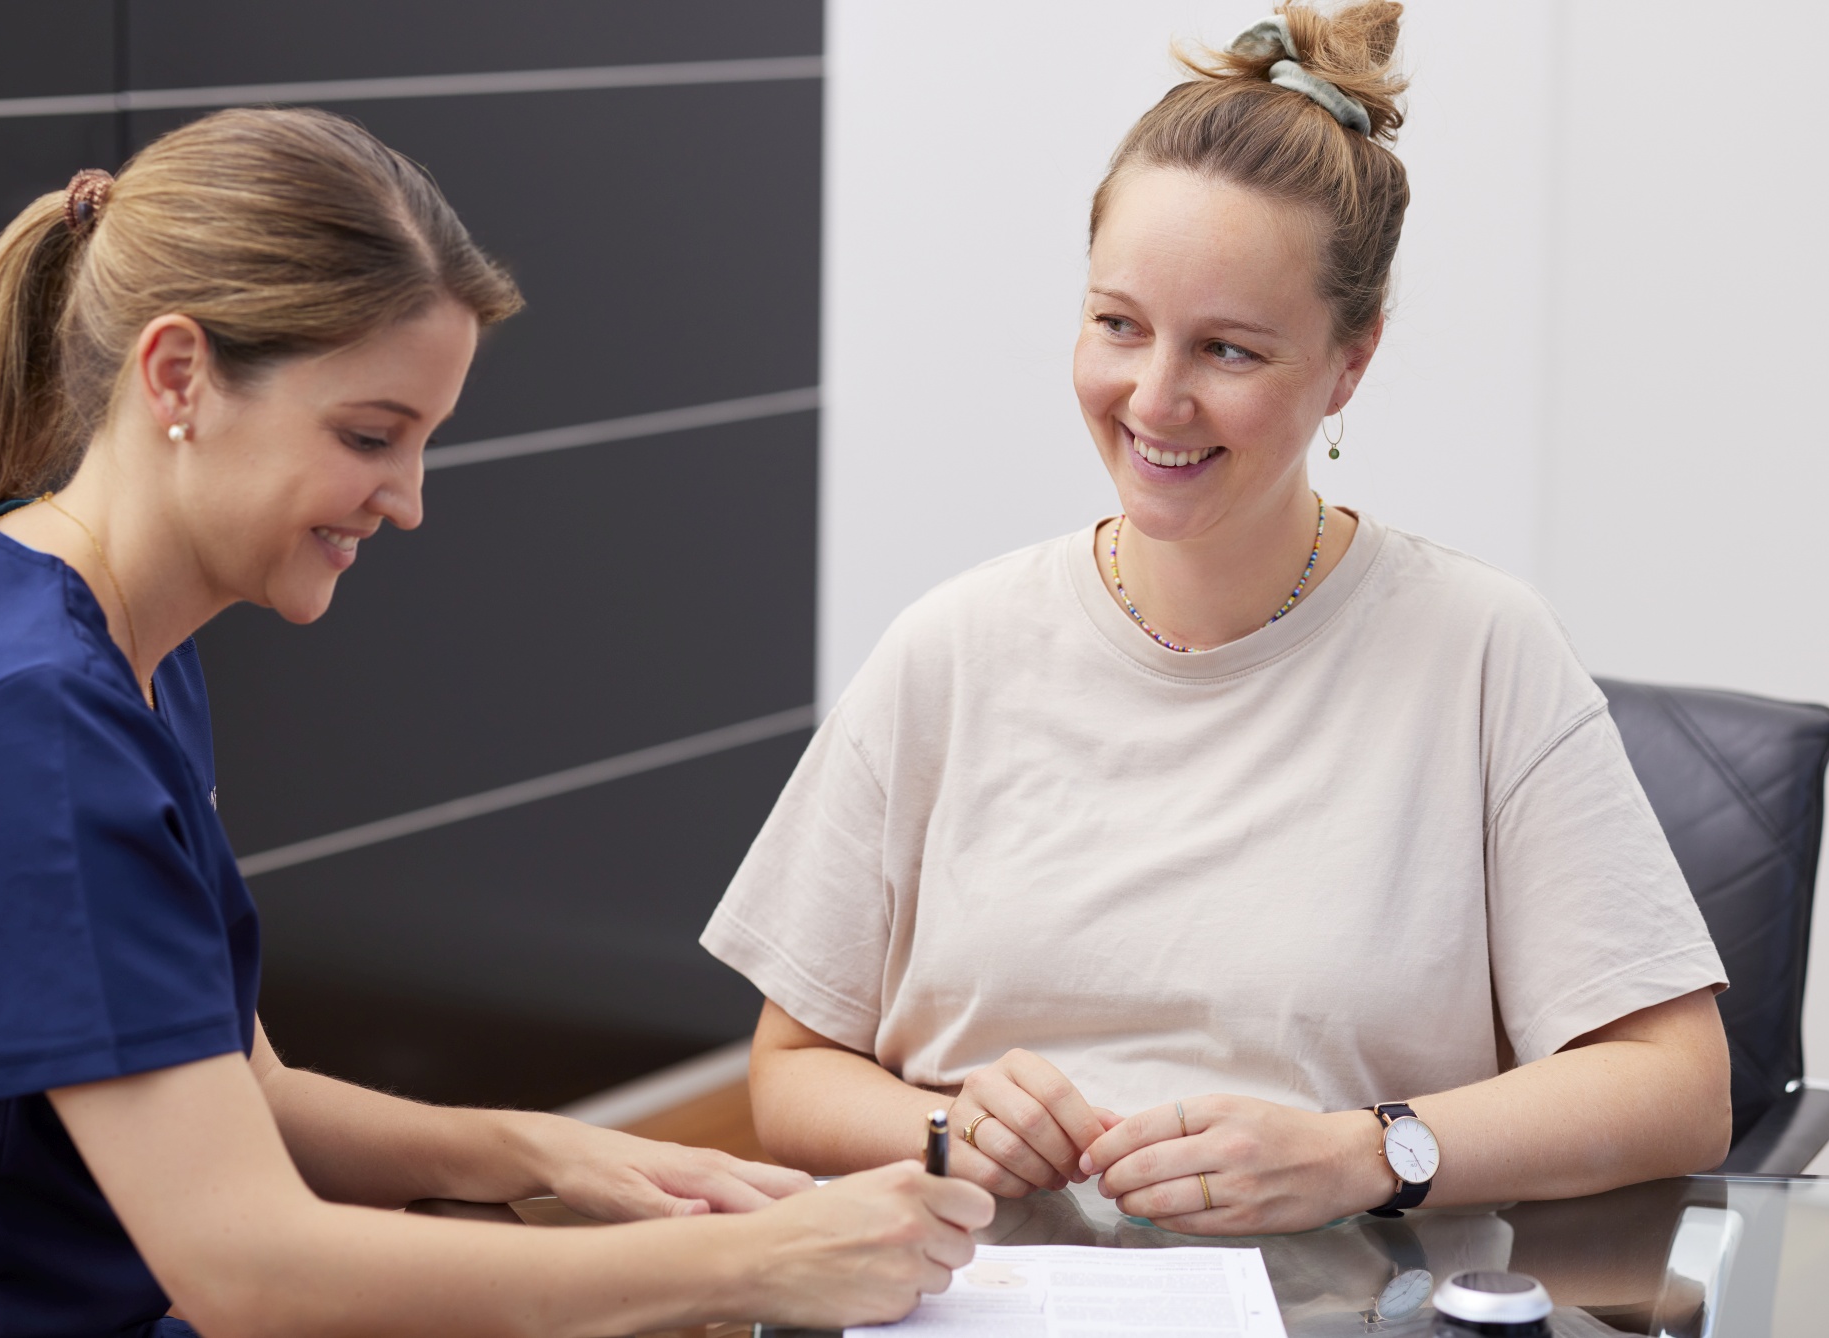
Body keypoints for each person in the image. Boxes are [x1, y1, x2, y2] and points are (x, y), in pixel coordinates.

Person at [0, 107, 990, 1337]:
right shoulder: (33, 725)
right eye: (369, 436)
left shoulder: (116, 647)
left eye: (421, 444)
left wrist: (543, 1152)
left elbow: (241, 1092)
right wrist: (750, 1267)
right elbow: (243, 1269)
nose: (406, 502)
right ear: (177, 375)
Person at [702, 1, 1732, 1237]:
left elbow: (1680, 1089)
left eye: (1228, 351)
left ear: (1350, 363)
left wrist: (1367, 1153)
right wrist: (948, 1124)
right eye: (1116, 324)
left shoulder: (1479, 654)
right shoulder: (949, 651)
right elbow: (790, 1071)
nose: (1153, 398)